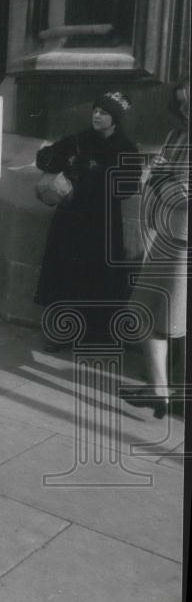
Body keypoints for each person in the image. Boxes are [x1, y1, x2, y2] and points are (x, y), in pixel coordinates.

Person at [35, 91, 139, 350]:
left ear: (115, 119)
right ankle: (60, 333)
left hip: (102, 224)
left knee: (97, 278)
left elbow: (126, 188)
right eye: (95, 110)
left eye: (103, 112)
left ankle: (96, 335)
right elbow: (46, 158)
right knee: (63, 275)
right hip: (70, 220)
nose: (96, 115)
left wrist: (92, 174)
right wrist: (59, 159)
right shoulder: (80, 139)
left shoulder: (126, 148)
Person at [126, 80, 189, 418]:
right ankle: (160, 390)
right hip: (167, 237)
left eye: (188, 101)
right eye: (180, 102)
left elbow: (182, 194)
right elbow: (156, 173)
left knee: (163, 314)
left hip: (182, 241)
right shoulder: (176, 135)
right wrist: (158, 174)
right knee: (147, 311)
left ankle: (163, 391)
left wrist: (159, 177)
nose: (184, 108)